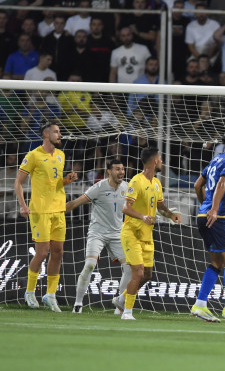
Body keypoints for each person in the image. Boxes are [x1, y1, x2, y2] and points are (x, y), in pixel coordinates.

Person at [14, 121, 79, 311]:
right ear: (46, 135)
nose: (60, 135)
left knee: (58, 252)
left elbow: (56, 184)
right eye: (57, 132)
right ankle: (29, 291)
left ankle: (50, 295)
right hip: (40, 211)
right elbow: (18, 182)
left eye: (60, 131)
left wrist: (67, 180)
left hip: (59, 210)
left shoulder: (61, 155)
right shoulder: (33, 155)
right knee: (42, 253)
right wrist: (23, 206)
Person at [189, 129, 225, 324]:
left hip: (202, 215)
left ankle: (200, 303)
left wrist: (205, 207)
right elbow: (222, 183)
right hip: (219, 217)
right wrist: (214, 209)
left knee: (217, 262)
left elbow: (198, 185)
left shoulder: (216, 159)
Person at [119, 148, 182, 321]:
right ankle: (127, 312)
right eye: (160, 159)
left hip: (147, 235)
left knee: (147, 275)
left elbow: (160, 206)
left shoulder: (156, 183)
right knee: (138, 273)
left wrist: (171, 214)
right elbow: (126, 208)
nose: (162, 162)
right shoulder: (136, 181)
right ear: (154, 161)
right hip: (132, 232)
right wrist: (143, 216)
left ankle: (122, 298)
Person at [64, 158, 130, 314]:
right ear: (109, 171)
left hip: (117, 234)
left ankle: (120, 306)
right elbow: (75, 203)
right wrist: (55, 210)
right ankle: (78, 304)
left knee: (129, 268)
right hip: (97, 233)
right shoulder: (98, 187)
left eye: (122, 169)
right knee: (89, 265)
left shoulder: (127, 187)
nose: (121, 172)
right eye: (117, 169)